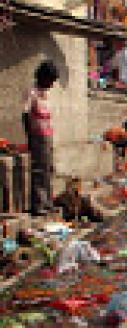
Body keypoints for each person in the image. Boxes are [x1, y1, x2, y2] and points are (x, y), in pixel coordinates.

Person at [23, 60, 59, 216]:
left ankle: (48, 202)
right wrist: (29, 136)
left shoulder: (46, 94)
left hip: (47, 136)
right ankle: (38, 205)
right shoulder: (31, 92)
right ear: (43, 77)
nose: (51, 84)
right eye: (50, 80)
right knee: (39, 170)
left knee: (48, 169)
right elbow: (25, 115)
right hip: (37, 137)